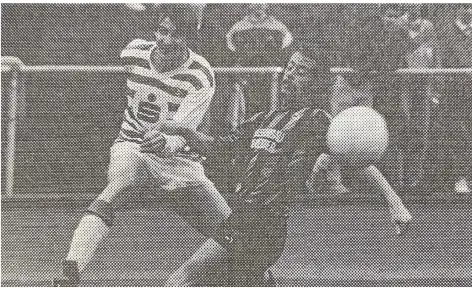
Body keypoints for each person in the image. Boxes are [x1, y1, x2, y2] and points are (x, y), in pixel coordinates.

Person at [161, 38, 410, 286]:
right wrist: (185, 131)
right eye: (289, 67)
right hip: (243, 217)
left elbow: (359, 160)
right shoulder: (263, 118)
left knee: (182, 279)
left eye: (300, 71)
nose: (289, 75)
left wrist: (395, 202)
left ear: (316, 84)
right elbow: (219, 148)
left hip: (261, 224)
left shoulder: (316, 121)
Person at [53, 4, 231, 286]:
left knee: (234, 234)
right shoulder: (133, 52)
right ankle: (69, 273)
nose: (166, 40)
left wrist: (165, 141)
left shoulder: (201, 75)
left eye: (176, 34)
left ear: (190, 37)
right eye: (162, 31)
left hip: (180, 163)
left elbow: (183, 130)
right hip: (132, 145)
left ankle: (262, 277)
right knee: (119, 183)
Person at [436, 4, 471, 193]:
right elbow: (441, 61)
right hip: (454, 93)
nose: (470, 11)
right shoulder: (446, 32)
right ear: (458, 9)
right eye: (466, 7)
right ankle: (460, 177)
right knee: (457, 136)